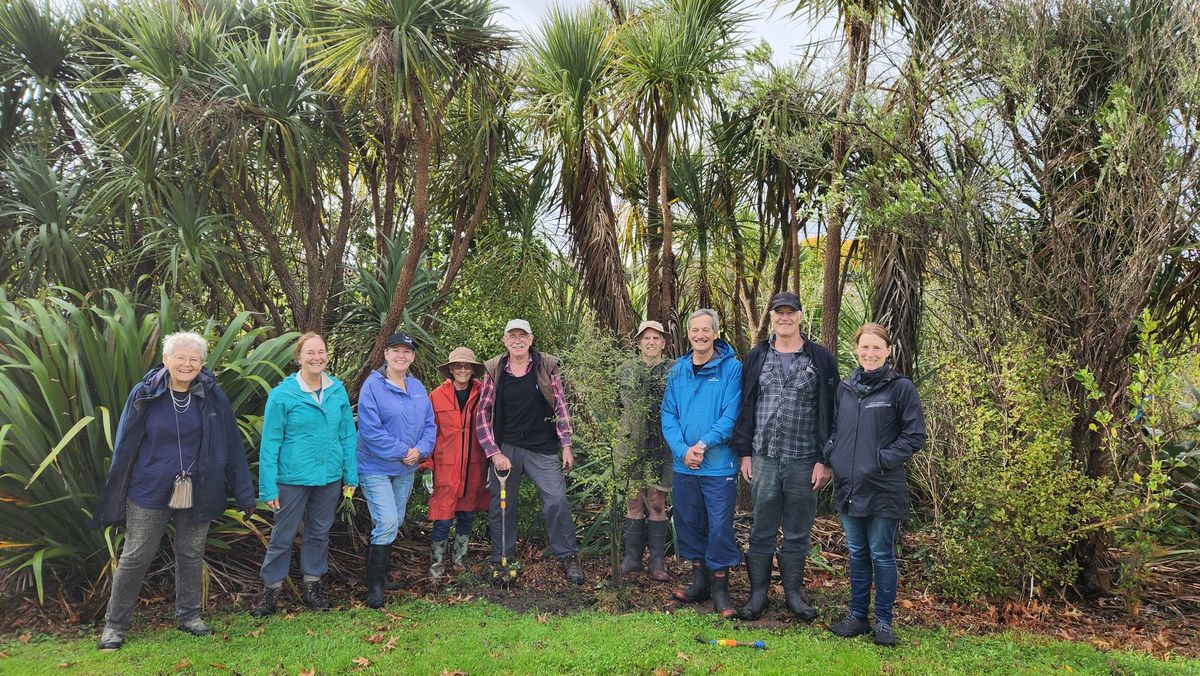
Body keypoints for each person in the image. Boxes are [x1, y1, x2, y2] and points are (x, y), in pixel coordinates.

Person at [94, 332, 256, 650]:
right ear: (166, 360)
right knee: (136, 553)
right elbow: (125, 445)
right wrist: (117, 489)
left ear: (203, 363)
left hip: (199, 487)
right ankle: (115, 625)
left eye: (194, 358)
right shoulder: (146, 393)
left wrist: (244, 492)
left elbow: (232, 446)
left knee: (191, 552)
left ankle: (189, 616)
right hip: (149, 486)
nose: (186, 363)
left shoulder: (213, 397)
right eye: (180, 357)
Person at [732, 292, 839, 621]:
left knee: (797, 530)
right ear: (772, 317)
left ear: (800, 316)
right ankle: (758, 596)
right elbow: (746, 405)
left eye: (791, 312)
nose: (785, 318)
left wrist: (826, 459)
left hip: (804, 460)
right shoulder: (758, 356)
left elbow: (832, 411)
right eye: (779, 313)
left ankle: (793, 595)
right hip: (764, 457)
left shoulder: (820, 358)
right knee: (761, 528)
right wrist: (745, 452)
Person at [824, 323, 926, 647]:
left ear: (888, 351)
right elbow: (835, 430)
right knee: (856, 552)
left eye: (876, 348)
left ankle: (883, 621)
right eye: (864, 348)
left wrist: (881, 459)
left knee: (881, 553)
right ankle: (857, 617)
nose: (870, 354)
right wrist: (834, 455)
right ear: (857, 349)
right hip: (849, 486)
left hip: (883, 486)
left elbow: (914, 435)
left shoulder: (900, 389)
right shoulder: (845, 388)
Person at [250, 332, 358, 617]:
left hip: (330, 477)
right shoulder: (282, 395)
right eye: (310, 352)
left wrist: (351, 475)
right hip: (292, 478)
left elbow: (347, 434)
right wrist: (268, 488)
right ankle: (270, 591)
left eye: (321, 351)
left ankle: (312, 586)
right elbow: (270, 442)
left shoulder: (337, 390)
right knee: (282, 535)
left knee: (320, 532)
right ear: (299, 357)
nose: (316, 357)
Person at [476, 319, 585, 585]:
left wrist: (566, 445)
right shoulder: (494, 369)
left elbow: (560, 406)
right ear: (504, 340)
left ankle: (568, 556)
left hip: (542, 448)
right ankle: (502, 561)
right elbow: (482, 414)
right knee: (502, 505)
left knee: (557, 500)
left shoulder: (546, 365)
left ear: (531, 339)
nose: (517, 340)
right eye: (512, 335)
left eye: (522, 335)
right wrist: (493, 452)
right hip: (506, 448)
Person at [661, 309, 743, 617]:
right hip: (685, 466)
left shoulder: (732, 369)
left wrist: (702, 444)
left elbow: (731, 415)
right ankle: (700, 584)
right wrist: (683, 450)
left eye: (706, 330)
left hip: (718, 465)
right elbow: (668, 415)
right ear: (689, 334)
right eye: (694, 330)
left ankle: (721, 590)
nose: (700, 335)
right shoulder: (678, 370)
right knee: (689, 523)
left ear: (716, 333)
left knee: (719, 526)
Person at [356, 332, 436, 608]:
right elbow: (369, 431)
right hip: (375, 466)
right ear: (386, 354)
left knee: (394, 521)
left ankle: (377, 576)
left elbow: (429, 425)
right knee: (388, 520)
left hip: (406, 469)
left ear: (412, 357)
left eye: (407, 352)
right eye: (396, 351)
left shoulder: (417, 387)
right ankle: (375, 588)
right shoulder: (373, 386)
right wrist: (403, 451)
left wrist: (420, 450)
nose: (401, 356)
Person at [616, 320, 676, 581]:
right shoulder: (626, 369)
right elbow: (617, 406)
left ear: (663, 343)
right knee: (633, 500)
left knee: (656, 502)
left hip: (662, 444)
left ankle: (657, 562)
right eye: (646, 338)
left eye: (656, 338)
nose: (651, 343)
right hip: (631, 443)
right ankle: (632, 558)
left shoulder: (674, 369)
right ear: (639, 343)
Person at [425, 347, 490, 582]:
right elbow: (428, 432)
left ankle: (459, 561)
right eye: (458, 366)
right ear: (450, 369)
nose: (462, 370)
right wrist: (427, 466)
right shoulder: (436, 396)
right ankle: (436, 566)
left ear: (472, 370)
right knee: (442, 519)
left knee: (466, 515)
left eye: (467, 366)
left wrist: (492, 462)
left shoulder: (483, 393)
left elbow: (492, 428)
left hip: (474, 466)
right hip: (445, 467)